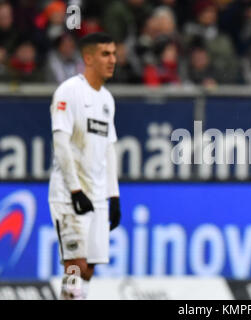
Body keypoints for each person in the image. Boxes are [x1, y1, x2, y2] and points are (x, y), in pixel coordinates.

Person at [48, 32, 121, 300]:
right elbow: (61, 142)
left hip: (99, 194)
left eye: (114, 53)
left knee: (88, 270)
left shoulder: (107, 100)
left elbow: (109, 149)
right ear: (88, 58)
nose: (112, 60)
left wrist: (114, 196)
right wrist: (75, 190)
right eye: (105, 54)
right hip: (70, 193)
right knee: (76, 267)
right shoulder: (69, 91)